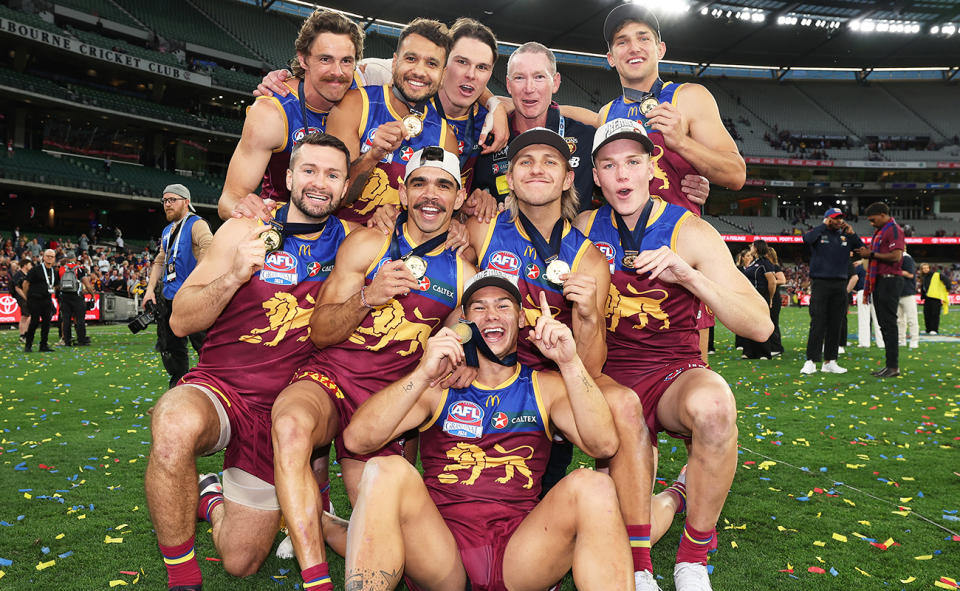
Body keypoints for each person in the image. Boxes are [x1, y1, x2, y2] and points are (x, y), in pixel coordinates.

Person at [144, 134, 352, 591]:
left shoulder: (352, 247)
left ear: (345, 185)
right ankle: (183, 579)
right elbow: (180, 320)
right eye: (310, 171)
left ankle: (212, 496)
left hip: (280, 415)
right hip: (220, 387)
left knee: (241, 561)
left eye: (333, 175)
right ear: (290, 176)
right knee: (174, 425)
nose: (320, 183)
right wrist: (236, 275)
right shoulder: (244, 229)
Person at [341, 270, 633, 591]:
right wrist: (423, 372)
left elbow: (604, 445)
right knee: (386, 469)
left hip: (519, 553)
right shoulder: (440, 384)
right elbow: (358, 439)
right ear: (463, 323)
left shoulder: (544, 386)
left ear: (522, 319)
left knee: (595, 485)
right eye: (479, 307)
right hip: (443, 553)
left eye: (503, 306)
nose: (491, 314)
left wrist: (569, 362)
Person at [578, 119, 772, 591]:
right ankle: (652, 545)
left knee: (715, 407)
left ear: (651, 168)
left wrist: (690, 276)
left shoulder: (691, 231)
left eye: (632, 162)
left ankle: (691, 558)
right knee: (628, 526)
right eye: (609, 165)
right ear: (596, 177)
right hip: (609, 377)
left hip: (673, 371)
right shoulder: (581, 228)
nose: (622, 175)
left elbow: (761, 325)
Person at [269, 146, 473, 589]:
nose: (430, 195)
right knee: (289, 426)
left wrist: (462, 359)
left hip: (387, 402)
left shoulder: (463, 274)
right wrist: (367, 297)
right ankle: (317, 579)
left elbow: (460, 347)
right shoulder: (366, 242)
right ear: (403, 191)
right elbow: (320, 331)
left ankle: (315, 523)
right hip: (330, 378)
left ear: (459, 199)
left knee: (396, 543)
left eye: (443, 185)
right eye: (419, 183)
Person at [465, 128, 657, 588]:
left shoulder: (589, 258)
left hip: (553, 382)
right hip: (491, 377)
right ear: (509, 176)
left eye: (550, 162)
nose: (537, 168)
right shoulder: (480, 226)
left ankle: (640, 561)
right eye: (525, 160)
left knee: (625, 406)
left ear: (569, 179)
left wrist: (588, 316)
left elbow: (590, 370)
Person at [218, 9, 365, 221]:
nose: (338, 72)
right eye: (325, 59)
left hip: (345, 230)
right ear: (303, 60)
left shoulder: (366, 95)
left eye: (346, 61)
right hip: (286, 233)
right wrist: (243, 208)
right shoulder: (272, 113)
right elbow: (229, 199)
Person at [325, 18, 460, 225]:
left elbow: (442, 217)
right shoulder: (355, 105)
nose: (419, 71)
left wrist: (403, 218)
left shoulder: (445, 136)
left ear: (443, 75)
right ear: (395, 61)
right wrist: (372, 155)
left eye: (431, 63)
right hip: (338, 240)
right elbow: (332, 198)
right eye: (411, 59)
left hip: (399, 251)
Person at [472, 42, 598, 210]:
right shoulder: (487, 140)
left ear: (556, 82)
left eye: (539, 77)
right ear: (508, 85)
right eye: (519, 78)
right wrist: (475, 202)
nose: (529, 88)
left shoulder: (587, 137)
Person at [142, 184, 213, 388]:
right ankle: (178, 386)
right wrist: (149, 290)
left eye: (172, 200)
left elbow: (209, 247)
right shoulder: (167, 230)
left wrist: (195, 282)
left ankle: (215, 387)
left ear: (186, 201)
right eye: (164, 201)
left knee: (204, 346)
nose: (167, 204)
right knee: (170, 348)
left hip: (192, 297)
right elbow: (159, 261)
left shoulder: (196, 223)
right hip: (170, 298)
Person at [799, 208, 862, 375]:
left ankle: (830, 361)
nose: (840, 220)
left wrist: (852, 233)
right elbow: (806, 239)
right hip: (821, 283)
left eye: (841, 218)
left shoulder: (845, 236)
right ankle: (811, 361)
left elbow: (861, 248)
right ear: (827, 219)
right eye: (836, 218)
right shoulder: (819, 233)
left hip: (840, 284)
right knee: (818, 322)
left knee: (836, 323)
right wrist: (822, 226)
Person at [857, 201, 904, 378]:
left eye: (873, 219)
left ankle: (893, 366)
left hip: (890, 281)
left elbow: (896, 256)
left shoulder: (893, 230)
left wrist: (872, 254)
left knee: (889, 324)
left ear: (883, 215)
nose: (871, 223)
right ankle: (890, 365)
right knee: (884, 325)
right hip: (881, 281)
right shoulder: (880, 232)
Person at [740, 240, 777, 360]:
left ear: (756, 248)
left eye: (752, 246)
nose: (750, 247)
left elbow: (772, 282)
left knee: (761, 323)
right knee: (748, 323)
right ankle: (749, 351)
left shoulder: (765, 263)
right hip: (749, 296)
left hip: (761, 295)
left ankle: (764, 352)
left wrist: (770, 298)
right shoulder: (753, 262)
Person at [22, 249, 58, 353]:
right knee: (34, 322)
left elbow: (55, 285)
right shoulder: (35, 270)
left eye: (52, 256)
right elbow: (25, 283)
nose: (49, 258)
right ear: (43, 257)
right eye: (48, 256)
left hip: (47, 299)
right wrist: (27, 297)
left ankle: (43, 345)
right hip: (34, 299)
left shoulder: (54, 272)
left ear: (55, 258)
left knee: (47, 323)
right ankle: (28, 345)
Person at [57, 253, 95, 346]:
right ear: (74, 258)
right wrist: (92, 295)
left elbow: (58, 285)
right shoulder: (79, 269)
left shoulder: (61, 269)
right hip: (77, 296)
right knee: (80, 319)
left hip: (65, 297)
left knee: (66, 319)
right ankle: (81, 339)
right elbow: (87, 284)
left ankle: (67, 340)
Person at [896, 248, 919, 348]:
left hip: (908, 293)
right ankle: (901, 339)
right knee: (899, 319)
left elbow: (910, 274)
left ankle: (914, 340)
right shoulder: (898, 258)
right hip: (897, 292)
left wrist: (896, 272)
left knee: (911, 319)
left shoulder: (907, 258)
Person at [766, 247, 786, 356]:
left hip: (774, 297)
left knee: (773, 322)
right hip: (768, 296)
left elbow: (782, 280)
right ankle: (770, 346)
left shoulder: (775, 267)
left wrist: (770, 282)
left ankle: (776, 347)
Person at [919, 262, 947, 334]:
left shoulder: (936, 275)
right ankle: (928, 329)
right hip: (927, 298)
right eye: (923, 268)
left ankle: (934, 329)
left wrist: (947, 288)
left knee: (934, 314)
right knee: (927, 314)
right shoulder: (923, 276)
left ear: (929, 268)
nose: (925, 269)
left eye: (926, 268)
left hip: (935, 298)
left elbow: (946, 280)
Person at [12, 259, 31, 342]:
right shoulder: (18, 274)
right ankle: (25, 334)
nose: (31, 266)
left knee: (24, 316)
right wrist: (25, 297)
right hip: (22, 297)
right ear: (25, 265)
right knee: (28, 315)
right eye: (29, 264)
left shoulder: (28, 274)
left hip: (28, 297)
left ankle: (22, 335)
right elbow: (17, 287)